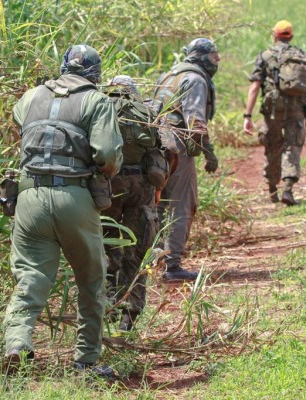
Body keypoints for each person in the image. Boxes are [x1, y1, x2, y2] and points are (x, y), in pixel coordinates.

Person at [3, 44, 123, 377]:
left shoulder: (30, 96)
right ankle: (85, 361)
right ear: (95, 74)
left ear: (63, 67)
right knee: (91, 279)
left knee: (31, 275)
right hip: (74, 198)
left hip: (29, 198)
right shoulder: (96, 101)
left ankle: (17, 342)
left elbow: (20, 122)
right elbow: (108, 156)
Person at [153, 38, 220, 281]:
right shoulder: (195, 79)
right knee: (181, 205)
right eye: (214, 57)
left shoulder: (169, 75)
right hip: (178, 147)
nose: (217, 61)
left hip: (157, 145)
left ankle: (154, 262)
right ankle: (172, 267)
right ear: (202, 56)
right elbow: (195, 123)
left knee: (158, 205)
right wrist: (209, 153)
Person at [101, 75, 163, 332]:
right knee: (137, 253)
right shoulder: (146, 110)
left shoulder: (97, 108)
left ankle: (106, 310)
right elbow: (162, 149)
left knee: (106, 248)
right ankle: (130, 315)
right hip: (140, 188)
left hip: (107, 186)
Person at [243, 20, 306, 205]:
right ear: (291, 36)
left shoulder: (265, 56)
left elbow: (254, 87)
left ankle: (272, 189)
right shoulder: (303, 56)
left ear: (275, 35)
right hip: (297, 109)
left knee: (272, 146)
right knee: (293, 146)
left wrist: (247, 116)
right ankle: (288, 189)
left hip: (273, 110)